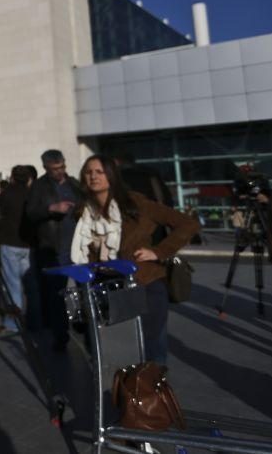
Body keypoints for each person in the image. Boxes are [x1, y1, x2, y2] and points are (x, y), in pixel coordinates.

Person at [70, 155, 199, 363]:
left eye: (99, 172)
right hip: (106, 288)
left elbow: (188, 224)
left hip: (144, 283)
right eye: (88, 172)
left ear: (111, 175)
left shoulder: (136, 203)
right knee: (116, 350)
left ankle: (152, 394)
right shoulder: (82, 211)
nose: (93, 176)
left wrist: (159, 251)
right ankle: (124, 394)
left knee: (151, 349)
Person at [25, 149, 80, 351]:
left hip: (77, 247)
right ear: (46, 168)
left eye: (62, 167)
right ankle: (60, 334)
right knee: (56, 295)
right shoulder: (39, 187)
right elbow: (30, 213)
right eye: (55, 169)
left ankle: (83, 327)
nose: (60, 172)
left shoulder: (74, 183)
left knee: (82, 291)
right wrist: (51, 209)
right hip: (54, 247)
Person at [0, 165, 35, 336]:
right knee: (29, 285)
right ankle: (32, 319)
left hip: (10, 242)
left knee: (12, 285)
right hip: (28, 244)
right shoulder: (31, 193)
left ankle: (13, 323)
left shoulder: (7, 194)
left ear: (13, 178)